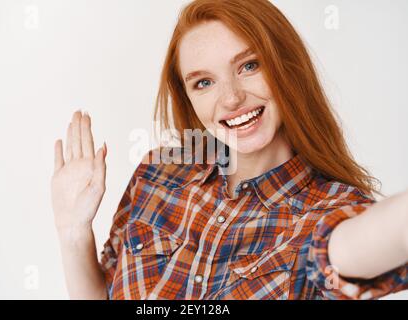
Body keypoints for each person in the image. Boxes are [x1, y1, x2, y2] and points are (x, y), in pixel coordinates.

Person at [51, 0, 408, 300]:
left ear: (286, 67)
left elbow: (363, 242)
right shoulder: (160, 169)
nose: (232, 98)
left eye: (249, 66)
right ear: (188, 96)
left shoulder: (331, 207)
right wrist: (72, 230)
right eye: (204, 82)